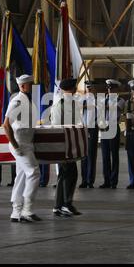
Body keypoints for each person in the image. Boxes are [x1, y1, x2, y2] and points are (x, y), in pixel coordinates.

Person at [3, 74, 42, 223]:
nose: (33, 86)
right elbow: (6, 125)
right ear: (23, 86)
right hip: (20, 144)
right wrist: (15, 145)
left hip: (26, 143)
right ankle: (27, 210)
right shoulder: (17, 101)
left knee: (21, 176)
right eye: (30, 84)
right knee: (34, 172)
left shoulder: (28, 101)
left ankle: (16, 211)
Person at [51, 78, 83, 217]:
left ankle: (59, 205)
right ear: (68, 89)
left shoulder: (71, 103)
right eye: (73, 87)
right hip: (63, 144)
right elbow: (58, 127)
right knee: (69, 173)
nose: (75, 89)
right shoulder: (61, 104)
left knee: (66, 174)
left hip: (70, 143)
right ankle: (66, 204)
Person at [100, 79, 125, 189]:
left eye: (111, 88)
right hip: (105, 128)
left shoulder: (120, 100)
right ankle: (106, 180)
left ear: (116, 89)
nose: (109, 90)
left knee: (114, 155)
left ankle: (113, 181)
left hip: (114, 127)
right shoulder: (104, 99)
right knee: (105, 156)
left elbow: (115, 109)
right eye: (108, 88)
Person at [80, 80, 99, 188]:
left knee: (91, 155)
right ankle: (84, 180)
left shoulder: (98, 100)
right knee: (83, 156)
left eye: (91, 88)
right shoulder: (82, 99)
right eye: (88, 88)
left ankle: (90, 180)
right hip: (83, 128)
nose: (89, 89)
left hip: (92, 128)